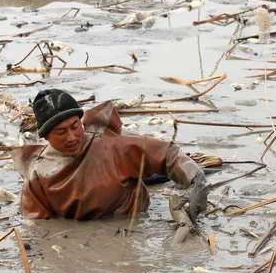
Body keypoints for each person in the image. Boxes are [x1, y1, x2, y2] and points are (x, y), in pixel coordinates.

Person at [11, 89, 209, 221]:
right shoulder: (37, 175)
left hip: (133, 219)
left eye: (75, 127)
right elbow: (39, 227)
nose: (71, 137)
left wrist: (195, 179)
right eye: (61, 132)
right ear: (46, 136)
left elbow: (168, 154)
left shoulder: (111, 144)